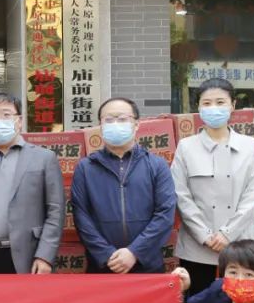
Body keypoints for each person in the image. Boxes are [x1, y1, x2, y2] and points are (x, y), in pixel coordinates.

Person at [172, 79, 254, 295]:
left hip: (241, 243)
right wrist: (204, 235)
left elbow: (253, 196)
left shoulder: (250, 147)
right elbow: (181, 195)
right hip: (197, 246)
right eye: (207, 103)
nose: (213, 108)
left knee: (241, 302)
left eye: (220, 102)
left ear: (233, 105)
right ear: (198, 107)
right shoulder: (186, 147)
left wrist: (228, 234)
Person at [0, 90, 64, 275]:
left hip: (31, 256)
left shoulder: (44, 158)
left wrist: (45, 256)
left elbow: (55, 211)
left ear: (19, 120)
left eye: (6, 114)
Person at [71, 97, 176, 274]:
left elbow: (165, 214)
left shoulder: (157, 165)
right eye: (108, 120)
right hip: (102, 266)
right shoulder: (86, 167)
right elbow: (81, 216)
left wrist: (134, 252)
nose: (115, 124)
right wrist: (106, 254)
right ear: (100, 126)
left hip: (147, 265)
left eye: (122, 119)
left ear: (136, 124)